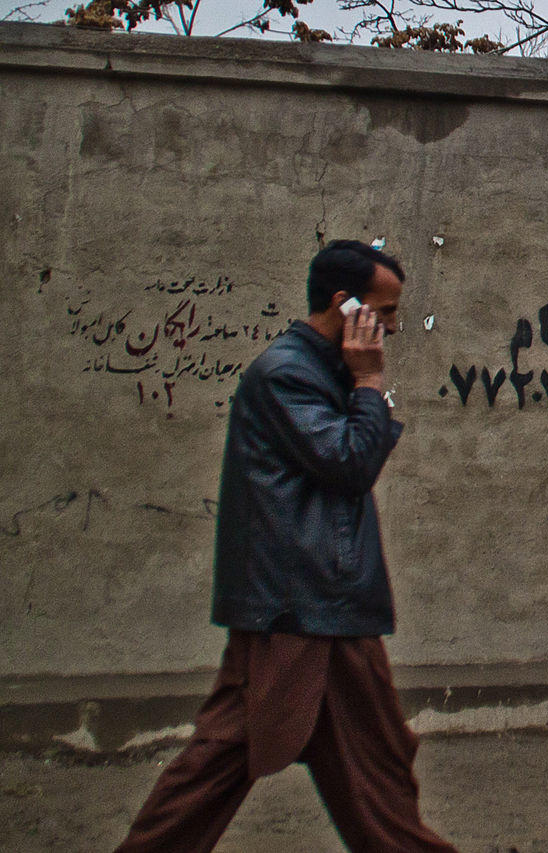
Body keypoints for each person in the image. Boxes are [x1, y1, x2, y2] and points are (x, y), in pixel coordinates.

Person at [115, 240, 458, 853]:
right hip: (306, 613)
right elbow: (349, 462)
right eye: (384, 311)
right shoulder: (289, 374)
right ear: (343, 304)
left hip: (311, 608)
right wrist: (371, 382)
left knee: (366, 773)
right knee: (362, 780)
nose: (394, 327)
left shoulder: (317, 371)